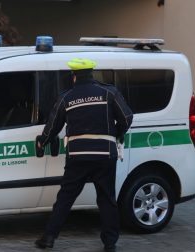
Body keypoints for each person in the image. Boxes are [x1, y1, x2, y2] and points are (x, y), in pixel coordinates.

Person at [34, 58, 133, 252]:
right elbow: (127, 117)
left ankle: (48, 238)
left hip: (78, 156)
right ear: (92, 74)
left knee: (65, 198)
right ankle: (110, 243)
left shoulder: (67, 97)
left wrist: (42, 141)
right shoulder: (108, 92)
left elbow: (53, 125)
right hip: (105, 155)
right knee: (106, 199)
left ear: (74, 76)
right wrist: (118, 132)